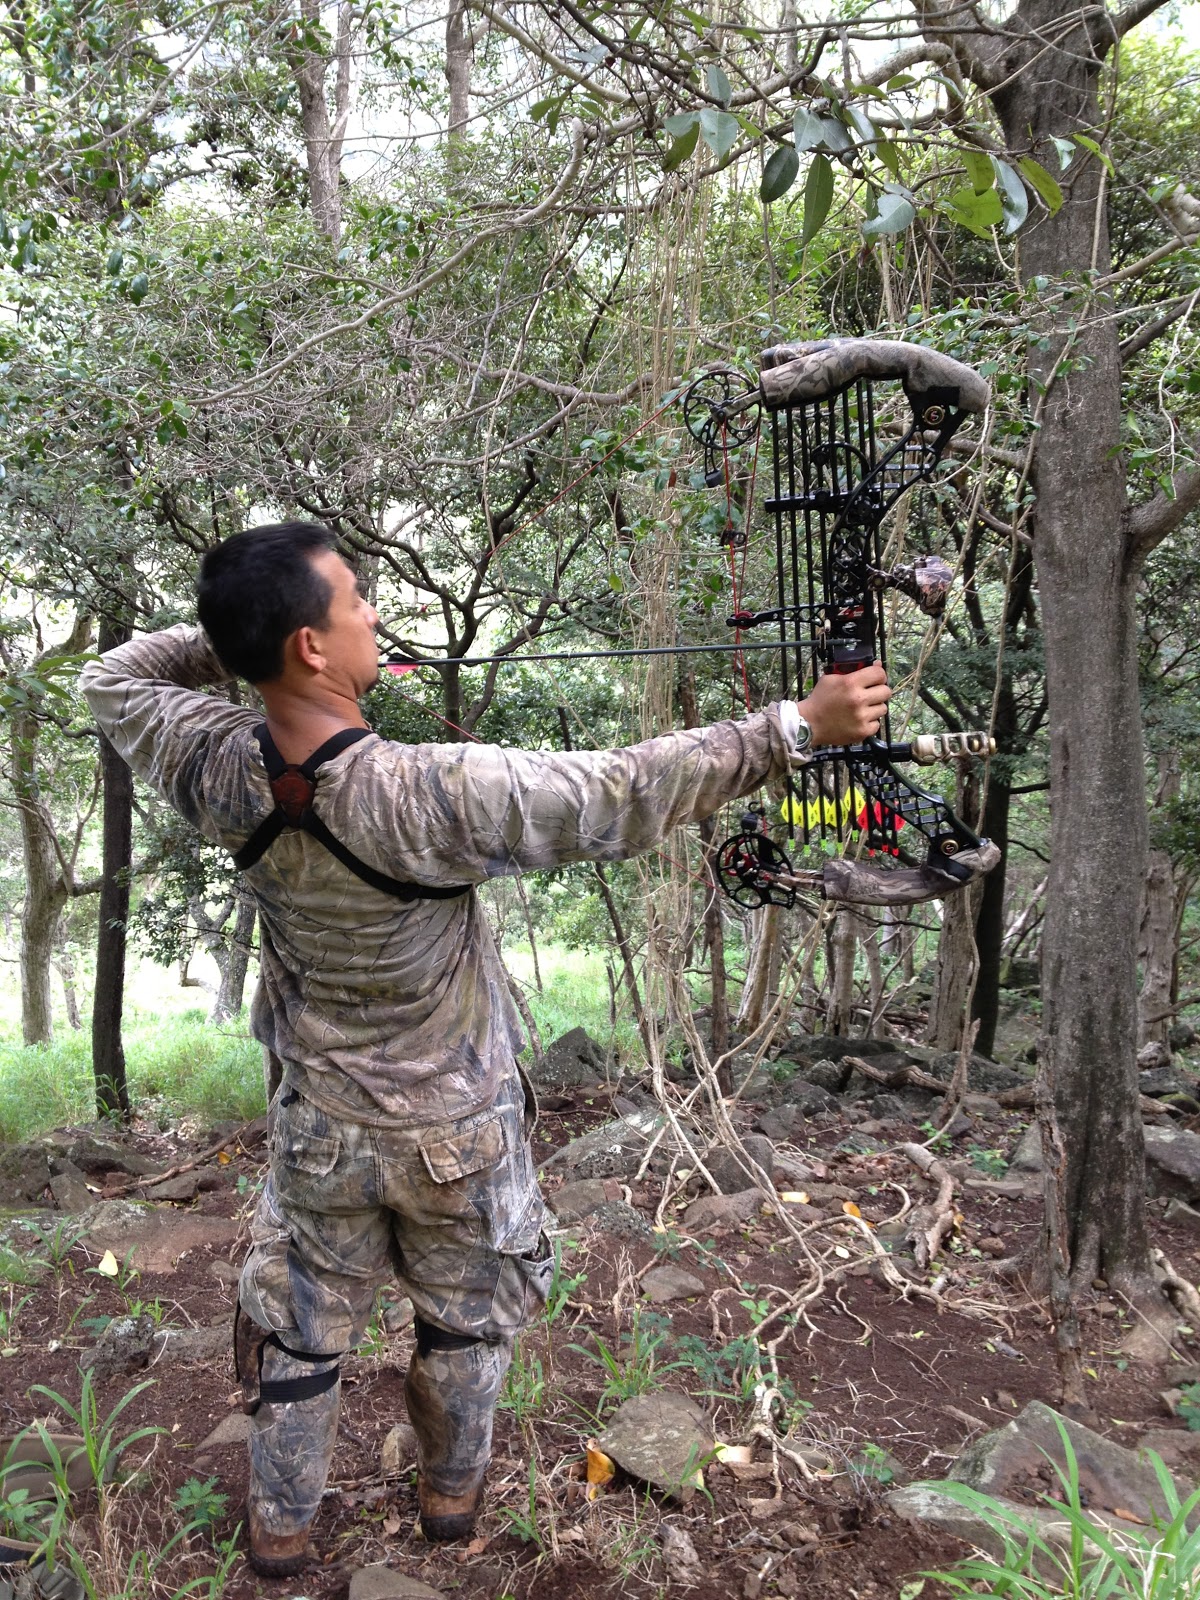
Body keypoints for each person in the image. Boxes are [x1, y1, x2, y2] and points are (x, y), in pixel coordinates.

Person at [81, 520, 891, 1577]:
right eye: (354, 599)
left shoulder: (208, 759)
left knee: (305, 1335)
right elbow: (617, 789)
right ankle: (449, 1510)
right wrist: (795, 726)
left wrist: (237, 636)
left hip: (321, 1125)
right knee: (464, 1328)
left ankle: (281, 1536)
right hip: (456, 1132)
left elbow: (112, 676)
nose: (373, 612)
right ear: (311, 647)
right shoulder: (425, 790)